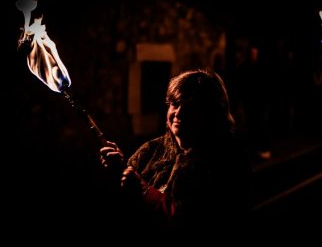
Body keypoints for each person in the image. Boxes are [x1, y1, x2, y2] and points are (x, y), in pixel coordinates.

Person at [99, 69, 250, 241]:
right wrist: (118, 170)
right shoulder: (151, 151)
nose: (179, 113)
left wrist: (142, 189)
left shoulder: (225, 161)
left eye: (191, 106)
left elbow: (188, 224)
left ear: (212, 113)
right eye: (175, 104)